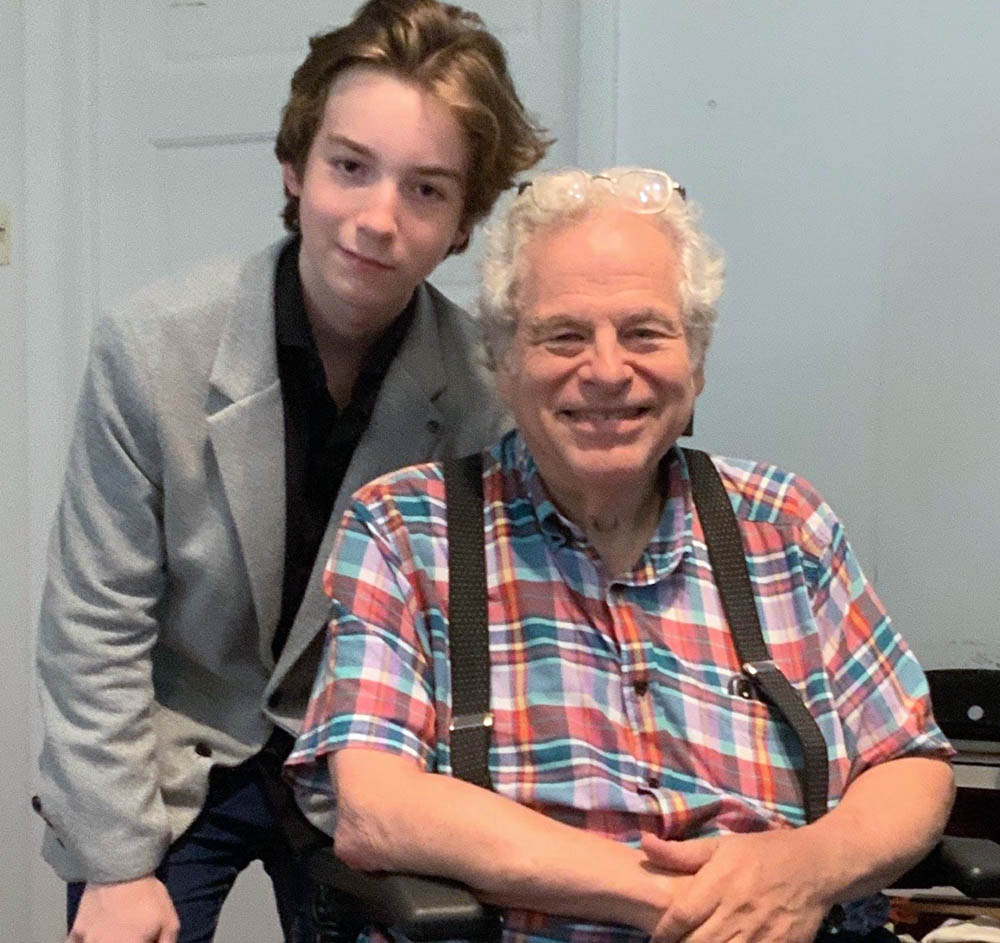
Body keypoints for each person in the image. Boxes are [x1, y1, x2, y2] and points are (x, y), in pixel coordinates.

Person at [286, 167, 956, 943]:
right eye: (563, 335)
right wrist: (699, 905)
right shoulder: (407, 529)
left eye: (645, 332)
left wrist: (804, 868)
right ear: (503, 364)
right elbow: (377, 809)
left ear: (695, 361)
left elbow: (911, 763)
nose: (607, 370)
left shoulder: (785, 520)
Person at [34, 2, 549, 940]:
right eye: (349, 167)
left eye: (427, 190)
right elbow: (92, 627)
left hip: (367, 756)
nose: (377, 220)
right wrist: (114, 868)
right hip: (170, 745)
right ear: (295, 165)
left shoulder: (485, 394)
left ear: (466, 224)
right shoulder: (150, 348)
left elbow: (474, 641)